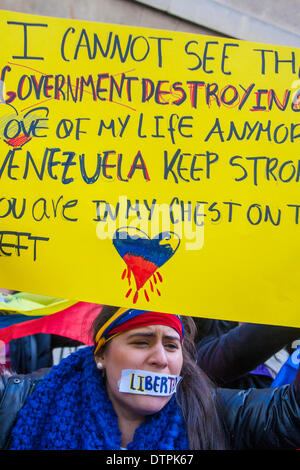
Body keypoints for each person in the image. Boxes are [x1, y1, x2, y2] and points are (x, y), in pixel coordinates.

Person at [1, 306, 300, 450]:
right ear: (101, 356)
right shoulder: (17, 404)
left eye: (171, 346)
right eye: (141, 342)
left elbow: (291, 414)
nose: (160, 357)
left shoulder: (214, 412)